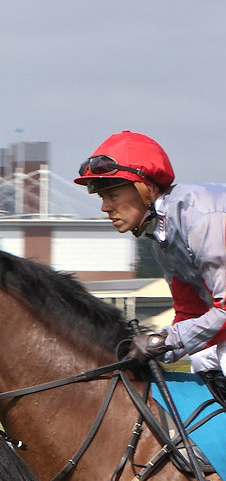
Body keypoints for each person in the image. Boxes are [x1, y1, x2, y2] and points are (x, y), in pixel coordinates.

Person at [75, 132, 226, 386]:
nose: (105, 207)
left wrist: (162, 341)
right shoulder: (162, 238)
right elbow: (191, 313)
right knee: (202, 359)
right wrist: (153, 347)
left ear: (148, 189)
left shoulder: (200, 219)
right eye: (102, 198)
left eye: (113, 195)